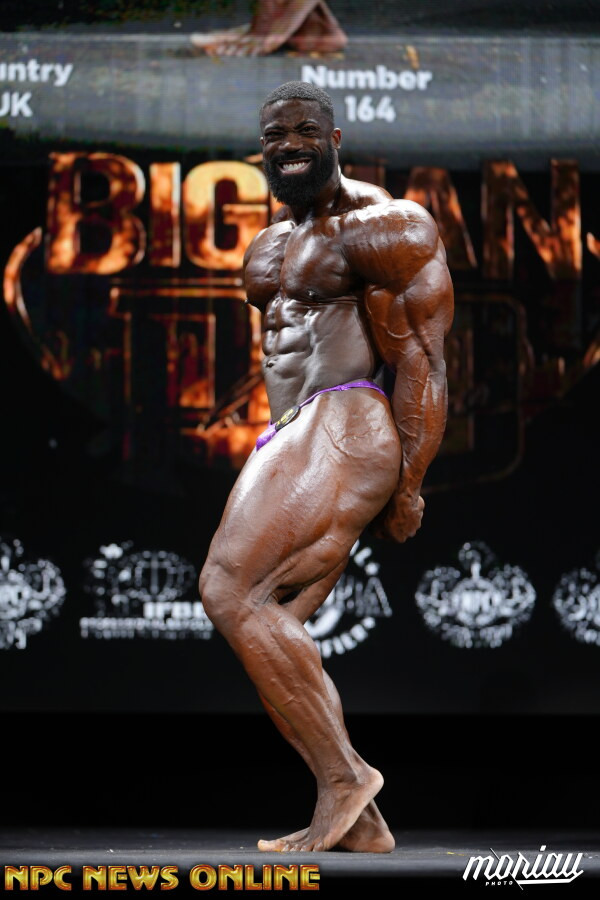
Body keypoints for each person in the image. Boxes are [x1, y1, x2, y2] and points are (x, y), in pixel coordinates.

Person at [199, 81, 453, 853]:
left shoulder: (388, 226)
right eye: (275, 135)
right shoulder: (269, 245)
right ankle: (358, 818)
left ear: (335, 138)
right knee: (270, 627)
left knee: (228, 589)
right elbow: (284, 352)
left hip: (348, 419)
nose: (289, 145)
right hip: (294, 435)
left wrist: (410, 485)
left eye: (305, 130)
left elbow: (423, 360)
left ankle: (347, 779)